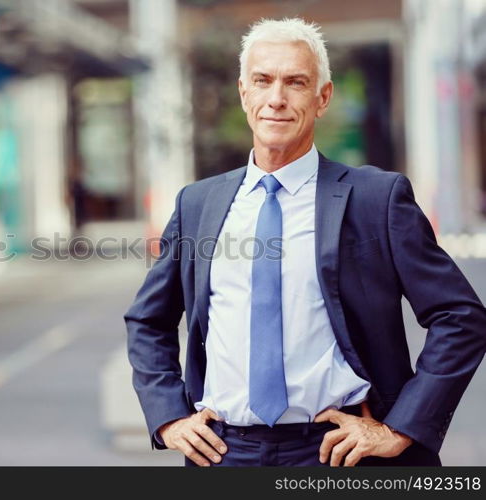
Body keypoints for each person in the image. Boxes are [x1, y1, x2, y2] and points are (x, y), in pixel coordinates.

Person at [123, 17, 486, 467]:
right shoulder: (199, 204)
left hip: (337, 452)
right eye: (263, 80)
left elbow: (460, 316)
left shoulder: (377, 199)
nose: (277, 98)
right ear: (244, 92)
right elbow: (148, 320)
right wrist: (169, 417)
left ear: (322, 98)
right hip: (223, 453)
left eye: (295, 82)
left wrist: (401, 428)